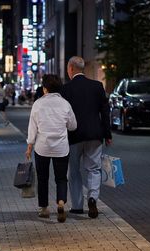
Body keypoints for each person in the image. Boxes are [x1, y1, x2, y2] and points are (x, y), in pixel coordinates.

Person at [60, 56, 112, 219]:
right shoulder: (97, 86)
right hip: (94, 134)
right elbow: (105, 111)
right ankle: (92, 198)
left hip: (74, 136)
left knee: (74, 170)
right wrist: (107, 134)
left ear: (71, 69)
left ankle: (77, 206)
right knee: (94, 168)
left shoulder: (65, 89)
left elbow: (63, 115)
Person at [26, 74, 77, 223]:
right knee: (61, 178)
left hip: (42, 147)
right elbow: (73, 126)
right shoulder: (65, 104)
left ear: (45, 88)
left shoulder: (38, 104)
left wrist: (30, 145)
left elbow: (32, 128)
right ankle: (61, 202)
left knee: (43, 178)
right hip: (61, 147)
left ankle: (44, 209)